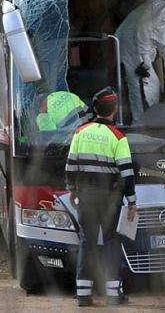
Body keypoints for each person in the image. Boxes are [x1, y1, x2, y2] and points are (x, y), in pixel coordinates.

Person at [65, 87, 136, 307]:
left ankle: (84, 295)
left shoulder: (80, 132)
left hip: (86, 195)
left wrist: (73, 190)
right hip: (110, 199)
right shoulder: (118, 137)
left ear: (95, 108)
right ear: (114, 110)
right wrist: (132, 202)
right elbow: (126, 173)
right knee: (111, 241)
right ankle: (114, 294)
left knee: (87, 240)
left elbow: (71, 165)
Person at [115, 0, 165, 122]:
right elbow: (143, 27)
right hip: (131, 47)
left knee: (151, 87)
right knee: (141, 87)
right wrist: (145, 59)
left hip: (138, 51)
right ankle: (140, 123)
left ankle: (146, 121)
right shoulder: (164, 7)